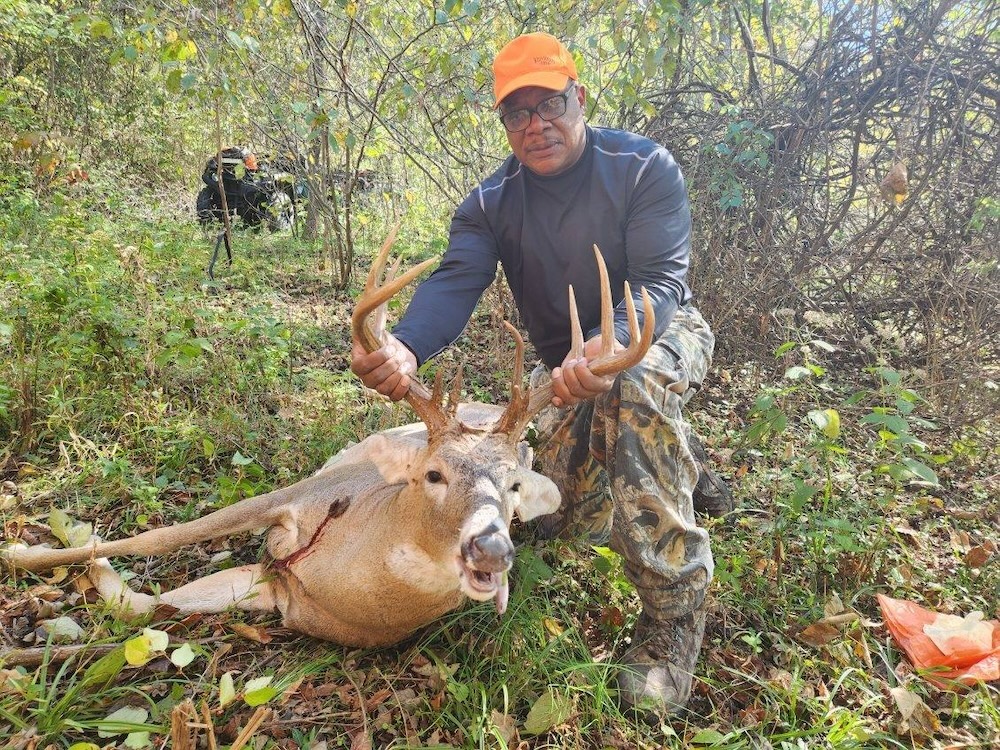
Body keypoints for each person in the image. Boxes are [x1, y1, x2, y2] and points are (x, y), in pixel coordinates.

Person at [351, 32, 732, 718]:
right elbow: (456, 281)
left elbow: (661, 280)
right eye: (517, 112)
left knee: (630, 385)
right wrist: (404, 347)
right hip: (559, 363)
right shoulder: (491, 202)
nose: (536, 124)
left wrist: (613, 342)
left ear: (578, 98)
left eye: (550, 103)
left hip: (655, 331)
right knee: (555, 517)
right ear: (504, 122)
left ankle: (673, 611)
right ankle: (678, 456)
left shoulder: (642, 168)